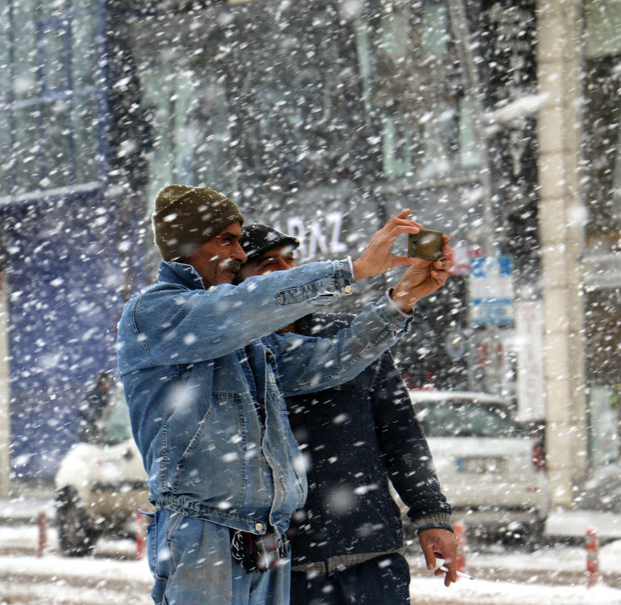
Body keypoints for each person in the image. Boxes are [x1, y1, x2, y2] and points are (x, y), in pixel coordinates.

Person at [116, 184, 453, 605]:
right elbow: (240, 307)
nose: (238, 254)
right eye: (228, 240)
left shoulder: (250, 338)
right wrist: (355, 268)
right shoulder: (155, 312)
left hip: (268, 537)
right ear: (186, 243)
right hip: (205, 533)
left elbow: (335, 358)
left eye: (241, 242)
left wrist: (400, 301)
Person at [236, 224, 458, 604]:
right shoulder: (234, 355)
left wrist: (431, 516)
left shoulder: (349, 334)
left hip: (371, 556)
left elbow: (400, 433)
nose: (284, 270)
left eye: (288, 259)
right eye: (265, 265)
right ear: (237, 282)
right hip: (278, 565)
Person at [77, 370, 115, 442]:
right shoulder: (95, 396)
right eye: (110, 383)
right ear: (103, 383)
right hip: (90, 436)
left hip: (90, 434)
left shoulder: (100, 395)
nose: (111, 386)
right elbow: (95, 415)